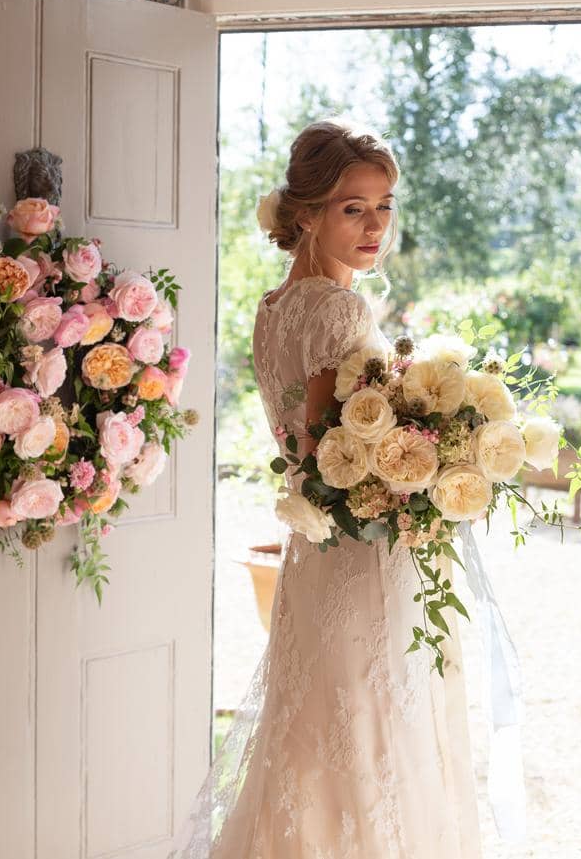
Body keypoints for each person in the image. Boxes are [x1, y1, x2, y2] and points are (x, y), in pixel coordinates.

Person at [167, 118, 483, 858]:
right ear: (306, 212)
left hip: (316, 558)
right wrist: (433, 464)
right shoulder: (339, 308)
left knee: (311, 743)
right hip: (362, 559)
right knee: (373, 739)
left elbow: (308, 447)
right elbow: (336, 458)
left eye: (386, 205)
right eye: (353, 207)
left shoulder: (274, 307)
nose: (376, 225)